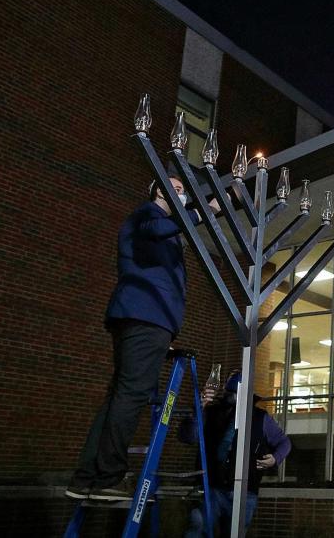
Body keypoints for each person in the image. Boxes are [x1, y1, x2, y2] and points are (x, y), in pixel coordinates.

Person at [65, 177, 220, 500]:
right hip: (146, 316)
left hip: (142, 319)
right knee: (131, 396)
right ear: (159, 189)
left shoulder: (158, 224)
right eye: (175, 186)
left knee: (119, 397)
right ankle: (108, 476)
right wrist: (205, 211)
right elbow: (158, 229)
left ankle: (87, 477)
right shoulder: (147, 216)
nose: (183, 190)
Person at [179, 371, 292, 537]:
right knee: (198, 528)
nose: (233, 399)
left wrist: (276, 458)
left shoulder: (261, 418)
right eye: (230, 394)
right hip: (213, 487)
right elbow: (188, 437)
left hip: (245, 491)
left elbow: (284, 442)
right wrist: (198, 409)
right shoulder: (213, 413)